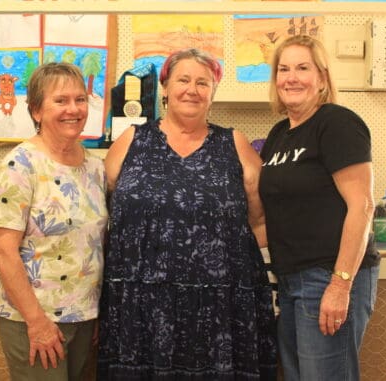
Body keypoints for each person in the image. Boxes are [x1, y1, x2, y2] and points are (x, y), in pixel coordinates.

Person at [97, 48, 277, 380]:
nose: (191, 89)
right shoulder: (132, 140)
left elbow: (261, 220)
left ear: (213, 93)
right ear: (164, 87)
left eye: (202, 82)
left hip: (218, 306)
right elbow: (100, 212)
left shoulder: (233, 143)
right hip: (141, 304)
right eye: (183, 79)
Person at [258, 35, 381, 381]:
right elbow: (280, 213)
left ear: (323, 78)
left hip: (328, 276)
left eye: (302, 68)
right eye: (283, 69)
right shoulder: (279, 134)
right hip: (290, 279)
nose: (291, 77)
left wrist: (340, 285)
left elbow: (363, 205)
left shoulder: (337, 123)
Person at [0, 62, 108, 380]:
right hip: (36, 320)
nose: (74, 109)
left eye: (80, 100)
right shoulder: (19, 165)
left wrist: (92, 314)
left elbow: (94, 244)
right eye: (61, 100)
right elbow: (2, 251)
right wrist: (36, 321)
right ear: (37, 111)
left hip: (83, 318)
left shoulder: (95, 168)